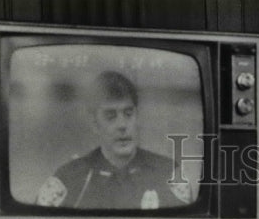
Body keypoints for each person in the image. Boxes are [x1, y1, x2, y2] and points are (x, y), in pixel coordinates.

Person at [36, 71, 192, 210]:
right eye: (111, 116)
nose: (122, 125)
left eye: (128, 113)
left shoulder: (168, 175)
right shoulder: (69, 179)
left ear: (137, 117)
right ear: (95, 124)